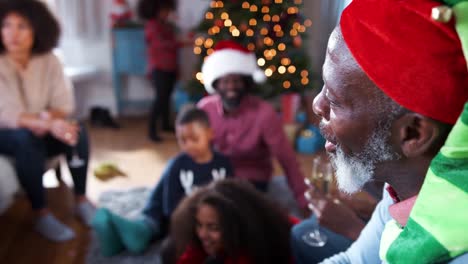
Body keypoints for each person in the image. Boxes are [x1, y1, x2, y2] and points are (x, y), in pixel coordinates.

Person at [291, 0, 468, 263]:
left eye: (335, 98)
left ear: (413, 134)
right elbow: (353, 260)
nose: (318, 105)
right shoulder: (410, 190)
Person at [0, 0, 94, 242]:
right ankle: (41, 214)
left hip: (41, 126)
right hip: (8, 133)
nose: (13, 34)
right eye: (7, 25)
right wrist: (46, 124)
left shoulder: (49, 60)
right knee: (24, 139)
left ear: (37, 29)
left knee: (77, 130)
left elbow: (63, 103)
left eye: (22, 26)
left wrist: (52, 120)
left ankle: (82, 200)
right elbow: (7, 114)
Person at [92, 106, 234, 256]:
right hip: (158, 219)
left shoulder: (223, 163)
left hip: (197, 220)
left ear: (210, 134)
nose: (188, 145)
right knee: (140, 239)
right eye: (183, 140)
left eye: (194, 139)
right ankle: (108, 217)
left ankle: (113, 241)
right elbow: (168, 208)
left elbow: (230, 196)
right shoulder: (177, 165)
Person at [197, 40, 308, 212]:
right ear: (216, 84)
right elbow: (194, 152)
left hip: (251, 180)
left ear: (246, 82)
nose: (231, 86)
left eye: (237, 80)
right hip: (214, 175)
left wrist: (303, 199)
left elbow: (287, 159)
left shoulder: (264, 113)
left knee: (227, 210)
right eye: (226, 81)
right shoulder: (204, 108)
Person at [166, 179, 298, 264]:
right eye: (199, 224)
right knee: (168, 249)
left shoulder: (252, 248)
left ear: (236, 227)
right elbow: (191, 256)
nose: (202, 234)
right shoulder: (211, 234)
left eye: (213, 227)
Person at [138, 0, 178, 142]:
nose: (167, 13)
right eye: (164, 10)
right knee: (160, 99)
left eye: (168, 10)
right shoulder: (152, 26)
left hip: (171, 66)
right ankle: (152, 131)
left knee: (167, 97)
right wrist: (181, 42)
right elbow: (161, 44)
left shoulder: (166, 26)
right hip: (159, 68)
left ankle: (166, 125)